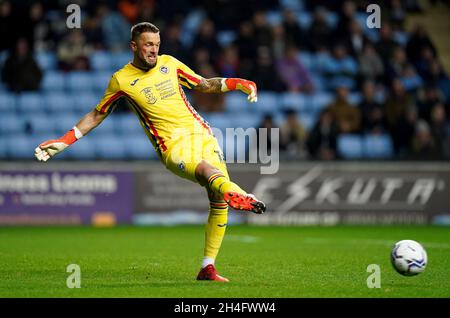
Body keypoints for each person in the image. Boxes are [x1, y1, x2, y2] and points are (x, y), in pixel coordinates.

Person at [34, 22, 266, 283]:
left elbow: (203, 85)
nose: (154, 50)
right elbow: (98, 114)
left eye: (156, 44)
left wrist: (239, 82)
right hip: (173, 147)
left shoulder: (170, 63)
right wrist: (64, 141)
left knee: (218, 200)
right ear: (134, 46)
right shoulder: (121, 80)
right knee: (207, 172)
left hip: (203, 136)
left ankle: (207, 267)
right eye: (148, 45)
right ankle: (241, 195)